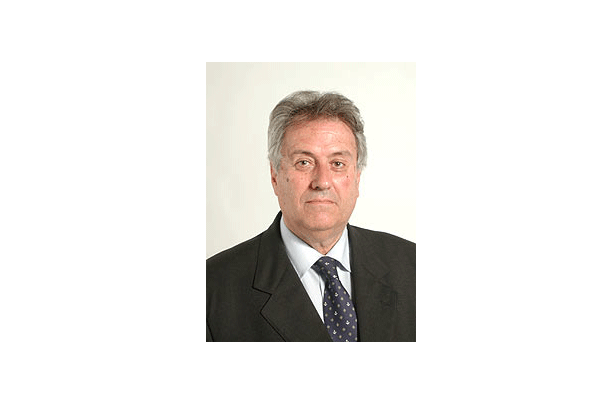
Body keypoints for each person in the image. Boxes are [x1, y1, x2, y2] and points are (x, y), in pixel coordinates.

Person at [206, 90, 415, 341]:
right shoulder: (212, 288)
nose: (322, 181)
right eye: (304, 162)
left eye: (337, 164)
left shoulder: (413, 266)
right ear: (275, 176)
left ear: (357, 177)